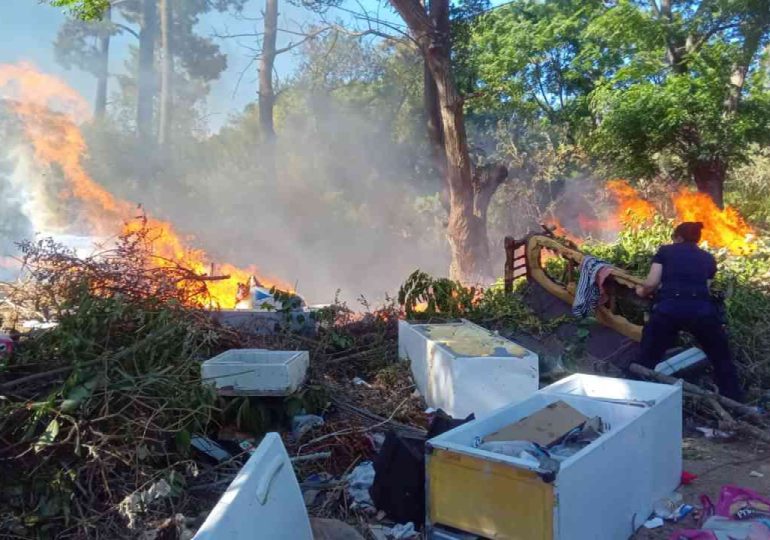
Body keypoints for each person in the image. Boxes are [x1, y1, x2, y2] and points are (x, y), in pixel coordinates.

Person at [635, 221, 743, 401]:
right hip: (702, 311)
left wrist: (641, 291)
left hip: (669, 310)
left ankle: (637, 393)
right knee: (721, 357)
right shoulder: (708, 258)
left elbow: (652, 283)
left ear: (678, 237)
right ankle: (734, 400)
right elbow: (705, 287)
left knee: (647, 356)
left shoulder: (665, 251)